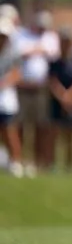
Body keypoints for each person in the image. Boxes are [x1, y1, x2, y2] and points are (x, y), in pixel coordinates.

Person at [17, 9, 59, 174]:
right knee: (20, 125)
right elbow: (20, 54)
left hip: (41, 88)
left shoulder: (51, 37)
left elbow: (54, 55)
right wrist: (39, 50)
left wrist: (34, 51)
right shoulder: (22, 35)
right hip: (23, 86)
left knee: (40, 126)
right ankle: (19, 160)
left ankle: (36, 161)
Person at [48, 26, 72, 173]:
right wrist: (63, 97)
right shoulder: (54, 62)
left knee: (70, 136)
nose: (66, 43)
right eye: (63, 41)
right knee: (54, 135)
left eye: (68, 41)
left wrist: (70, 97)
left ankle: (69, 166)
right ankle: (53, 164)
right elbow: (52, 81)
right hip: (56, 102)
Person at [0, 17, 24, 177]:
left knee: (9, 130)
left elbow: (17, 73)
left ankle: (15, 161)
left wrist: (2, 84)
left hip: (5, 98)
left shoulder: (13, 52)